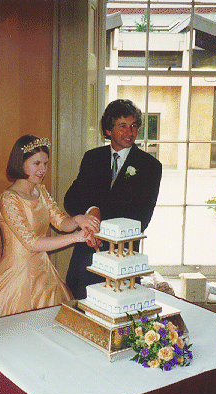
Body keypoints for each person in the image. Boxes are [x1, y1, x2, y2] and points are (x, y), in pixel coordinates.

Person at [0, 135, 100, 321]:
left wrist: (79, 219)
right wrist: (77, 237)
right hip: (17, 276)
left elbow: (61, 222)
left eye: (45, 163)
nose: (42, 169)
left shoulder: (40, 191)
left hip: (44, 272)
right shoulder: (9, 199)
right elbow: (32, 243)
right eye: (36, 163)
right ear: (20, 163)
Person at [64, 99, 162, 300]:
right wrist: (91, 210)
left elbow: (142, 218)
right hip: (87, 252)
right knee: (81, 306)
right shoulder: (92, 158)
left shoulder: (150, 166)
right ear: (108, 130)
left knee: (120, 311)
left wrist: (102, 230)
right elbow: (71, 198)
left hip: (122, 257)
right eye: (123, 126)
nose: (130, 132)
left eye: (134, 125)